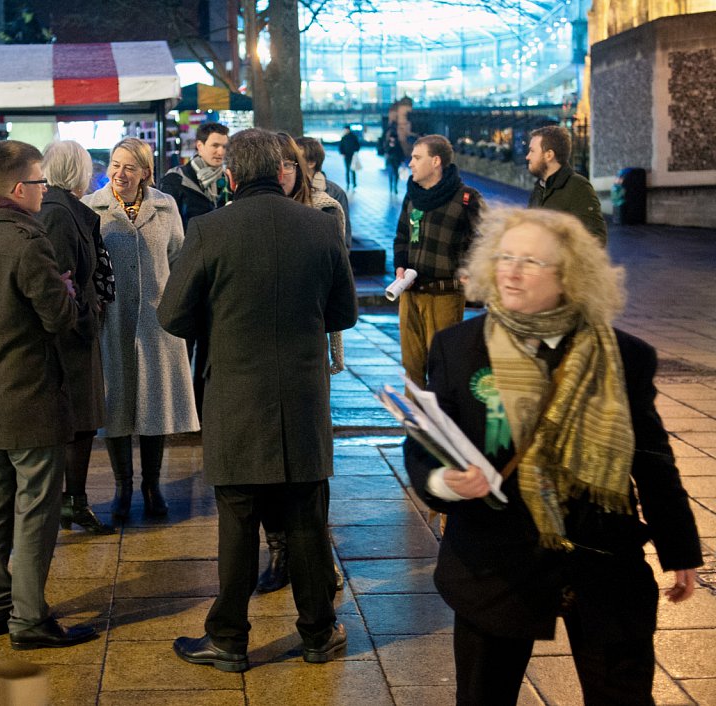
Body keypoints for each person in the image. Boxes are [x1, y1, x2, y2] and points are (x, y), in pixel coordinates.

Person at [404, 207, 701, 706]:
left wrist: (680, 549)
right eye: (505, 257)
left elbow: (652, 459)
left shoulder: (625, 356)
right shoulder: (458, 348)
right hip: (494, 563)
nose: (512, 272)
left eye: (532, 262)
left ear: (570, 277)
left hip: (603, 562)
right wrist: (444, 482)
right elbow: (426, 444)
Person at [159, 128, 358, 672]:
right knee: (306, 520)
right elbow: (343, 314)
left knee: (238, 523)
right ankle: (319, 632)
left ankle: (228, 638)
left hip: (235, 397)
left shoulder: (208, 229)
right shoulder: (320, 227)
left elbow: (172, 315)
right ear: (281, 169)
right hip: (301, 398)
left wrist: (217, 320)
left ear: (231, 176)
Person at [0, 139, 97, 650]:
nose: (43, 190)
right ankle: (29, 620)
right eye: (38, 182)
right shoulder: (28, 242)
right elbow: (59, 317)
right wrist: (71, 291)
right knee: (36, 510)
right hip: (31, 397)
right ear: (19, 188)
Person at [83, 137, 199, 522]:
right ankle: (123, 486)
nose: (120, 173)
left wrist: (174, 306)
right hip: (112, 319)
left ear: (145, 172)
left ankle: (152, 485)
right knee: (115, 401)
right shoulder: (92, 208)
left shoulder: (165, 207)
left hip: (155, 320)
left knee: (156, 402)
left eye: (130, 166)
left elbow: (179, 258)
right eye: (116, 165)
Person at [253, 132, 347, 595]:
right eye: (280, 166)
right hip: (259, 353)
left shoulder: (327, 211)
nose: (286, 172)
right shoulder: (251, 213)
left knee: (311, 462)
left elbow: (339, 288)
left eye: (293, 165)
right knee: (267, 459)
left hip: (307, 348)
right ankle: (280, 550)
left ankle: (317, 554)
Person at [37, 140, 115, 535]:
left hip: (77, 329)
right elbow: (61, 280)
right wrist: (83, 317)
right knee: (75, 419)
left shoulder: (64, 209)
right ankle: (68, 504)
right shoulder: (58, 213)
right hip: (69, 335)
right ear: (75, 171)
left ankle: (75, 502)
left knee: (83, 421)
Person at [394, 134, 484, 389]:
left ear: (435, 161)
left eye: (417, 157)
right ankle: (415, 427)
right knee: (411, 366)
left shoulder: (466, 198)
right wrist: (400, 265)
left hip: (445, 296)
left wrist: (469, 270)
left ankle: (439, 424)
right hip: (410, 293)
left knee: (442, 365)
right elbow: (401, 235)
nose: (410, 163)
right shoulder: (413, 196)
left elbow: (485, 240)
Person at [160, 122, 231, 422]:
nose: (220, 152)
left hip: (219, 279)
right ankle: (179, 413)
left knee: (211, 350)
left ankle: (203, 413)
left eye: (225, 147)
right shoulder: (176, 182)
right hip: (188, 277)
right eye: (215, 145)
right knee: (182, 347)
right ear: (199, 146)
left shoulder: (228, 182)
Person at [526, 125, 607, 244]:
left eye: (532, 151)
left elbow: (596, 240)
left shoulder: (578, 187)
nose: (527, 156)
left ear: (549, 155)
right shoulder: (540, 186)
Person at [296, 135, 352, 248]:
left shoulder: (334, 193)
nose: (293, 163)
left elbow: (344, 240)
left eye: (296, 159)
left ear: (311, 162)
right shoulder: (286, 188)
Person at [384, 128, 406, 196]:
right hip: (390, 161)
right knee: (390, 174)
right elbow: (385, 151)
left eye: (394, 138)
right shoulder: (387, 143)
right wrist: (390, 147)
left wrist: (402, 161)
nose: (392, 139)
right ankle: (390, 187)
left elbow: (401, 152)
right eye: (391, 138)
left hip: (396, 161)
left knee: (396, 174)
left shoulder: (398, 144)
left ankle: (395, 187)